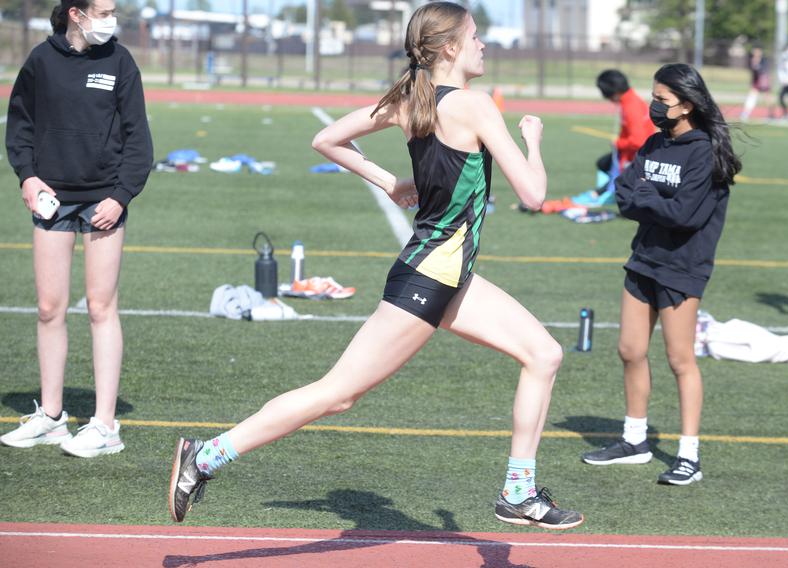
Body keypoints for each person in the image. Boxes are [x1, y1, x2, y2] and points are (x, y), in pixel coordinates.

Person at [167, 1, 583, 530]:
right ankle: (203, 458)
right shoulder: (475, 106)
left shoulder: (411, 97)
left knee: (544, 354)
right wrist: (533, 141)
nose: (483, 45)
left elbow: (327, 140)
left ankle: (518, 492)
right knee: (338, 394)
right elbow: (533, 192)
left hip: (446, 274)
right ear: (450, 47)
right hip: (430, 277)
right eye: (475, 36)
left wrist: (390, 183)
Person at [1, 0, 153, 457]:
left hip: (105, 199)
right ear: (75, 13)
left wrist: (120, 196)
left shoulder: (120, 61)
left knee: (100, 307)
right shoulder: (41, 61)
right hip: (51, 200)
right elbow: (20, 127)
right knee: (49, 307)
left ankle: (105, 426)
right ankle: (51, 417)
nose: (111, 19)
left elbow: (138, 140)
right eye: (103, 10)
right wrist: (27, 176)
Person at [581, 63, 740, 486]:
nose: (653, 105)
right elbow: (623, 194)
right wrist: (651, 200)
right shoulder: (654, 143)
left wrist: (647, 198)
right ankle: (635, 441)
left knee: (680, 359)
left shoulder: (704, 151)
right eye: (654, 97)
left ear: (686, 105)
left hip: (683, 267)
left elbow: (684, 216)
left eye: (661, 100)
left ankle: (689, 455)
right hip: (644, 259)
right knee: (630, 350)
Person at [571, 69, 653, 208]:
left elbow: (639, 141)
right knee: (603, 164)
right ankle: (606, 192)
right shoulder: (629, 100)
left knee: (610, 170)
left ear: (611, 91)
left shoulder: (631, 106)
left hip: (637, 156)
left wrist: (618, 143)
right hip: (632, 153)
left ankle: (606, 194)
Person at [740, 46, 772, 121]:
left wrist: (757, 66)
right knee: (751, 97)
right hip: (756, 81)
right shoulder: (752, 60)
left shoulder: (763, 60)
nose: (755, 53)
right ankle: (745, 113)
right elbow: (753, 71)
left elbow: (764, 71)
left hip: (763, 80)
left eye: (757, 51)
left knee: (767, 97)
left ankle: (771, 114)